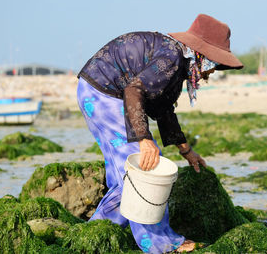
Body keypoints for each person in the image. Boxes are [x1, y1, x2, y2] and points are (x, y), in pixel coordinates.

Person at [76, 14, 243, 253]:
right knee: (145, 173)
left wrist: (185, 150)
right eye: (214, 64)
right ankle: (162, 245)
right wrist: (143, 140)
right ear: (201, 55)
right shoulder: (172, 57)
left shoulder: (177, 60)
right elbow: (133, 91)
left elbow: (163, 108)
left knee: (126, 179)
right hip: (104, 95)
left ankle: (95, 232)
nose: (212, 71)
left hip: (93, 91)